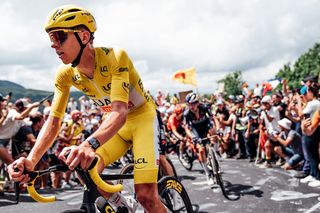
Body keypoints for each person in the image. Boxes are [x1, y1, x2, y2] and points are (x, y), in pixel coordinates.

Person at [8, 5, 166, 212]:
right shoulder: (65, 74)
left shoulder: (116, 57)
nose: (53, 45)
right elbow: (54, 121)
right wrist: (31, 159)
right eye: (51, 39)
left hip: (141, 120)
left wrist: (88, 145)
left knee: (146, 197)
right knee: (84, 167)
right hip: (115, 128)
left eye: (59, 36)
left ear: (83, 36)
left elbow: (119, 111)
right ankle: (124, 206)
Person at [184, 92, 216, 185]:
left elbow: (213, 118)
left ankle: (215, 152)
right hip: (196, 132)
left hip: (206, 127)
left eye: (193, 103)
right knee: (201, 150)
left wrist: (217, 129)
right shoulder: (187, 114)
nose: (191, 106)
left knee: (214, 133)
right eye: (189, 104)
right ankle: (208, 173)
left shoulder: (204, 108)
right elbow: (187, 128)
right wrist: (192, 136)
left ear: (198, 103)